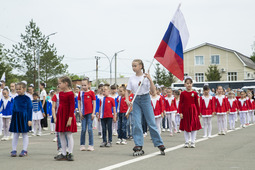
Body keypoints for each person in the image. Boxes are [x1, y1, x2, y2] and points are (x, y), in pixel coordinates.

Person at [125, 59, 165, 155]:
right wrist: (127, 100)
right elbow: (127, 91)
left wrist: (150, 79)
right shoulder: (132, 78)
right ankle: (138, 144)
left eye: (135, 65)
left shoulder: (146, 77)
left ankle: (159, 143)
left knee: (151, 122)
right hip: (136, 100)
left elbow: (153, 92)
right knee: (136, 123)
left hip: (146, 99)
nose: (133, 67)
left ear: (141, 66)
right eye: (132, 66)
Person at [55, 76, 77, 161]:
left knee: (68, 134)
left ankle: (70, 153)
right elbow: (60, 105)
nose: (59, 85)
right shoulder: (60, 93)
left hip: (68, 116)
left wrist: (70, 118)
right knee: (61, 134)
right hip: (61, 115)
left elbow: (72, 107)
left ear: (66, 83)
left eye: (60, 83)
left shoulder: (71, 94)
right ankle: (63, 153)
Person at [9, 82, 32, 157]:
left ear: (24, 89)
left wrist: (29, 119)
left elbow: (29, 109)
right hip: (16, 117)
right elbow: (13, 108)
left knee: (24, 134)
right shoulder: (15, 98)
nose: (18, 90)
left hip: (24, 117)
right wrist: (12, 119)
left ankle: (24, 150)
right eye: (17, 89)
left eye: (20, 89)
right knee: (15, 134)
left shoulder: (27, 99)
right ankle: (14, 150)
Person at [179, 77, 201, 148]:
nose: (189, 85)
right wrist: (180, 112)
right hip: (185, 111)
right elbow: (180, 103)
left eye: (190, 83)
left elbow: (197, 104)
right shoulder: (183, 93)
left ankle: (192, 141)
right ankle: (186, 141)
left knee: (193, 126)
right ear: (185, 84)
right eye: (187, 83)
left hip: (193, 111)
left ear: (192, 84)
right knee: (186, 126)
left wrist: (198, 113)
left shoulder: (194, 93)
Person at [78, 78, 96, 151]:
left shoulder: (91, 92)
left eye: (85, 85)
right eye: (82, 85)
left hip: (90, 113)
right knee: (83, 129)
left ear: (88, 85)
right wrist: (80, 112)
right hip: (83, 113)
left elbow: (94, 102)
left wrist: (93, 113)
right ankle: (82, 145)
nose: (84, 87)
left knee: (89, 129)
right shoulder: (80, 93)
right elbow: (79, 103)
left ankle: (91, 145)